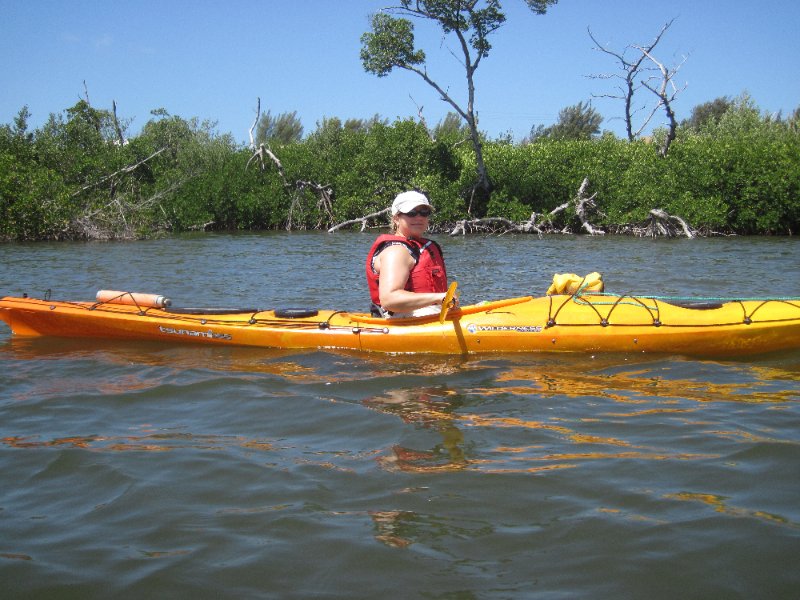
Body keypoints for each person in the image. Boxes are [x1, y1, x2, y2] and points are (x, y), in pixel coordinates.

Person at [366, 191, 454, 318]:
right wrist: (439, 297)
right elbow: (390, 299)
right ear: (396, 218)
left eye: (424, 212)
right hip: (401, 322)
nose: (419, 217)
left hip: (428, 315)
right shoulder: (396, 251)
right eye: (411, 213)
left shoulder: (419, 247)